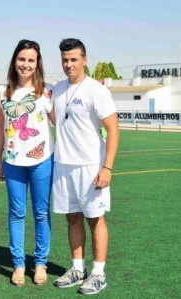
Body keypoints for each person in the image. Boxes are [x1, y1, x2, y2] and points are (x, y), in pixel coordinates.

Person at [50, 38, 119, 295]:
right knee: (73, 218)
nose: (69, 64)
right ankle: (77, 269)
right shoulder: (56, 90)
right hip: (63, 164)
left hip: (90, 167)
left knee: (95, 219)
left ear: (84, 60)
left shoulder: (96, 90)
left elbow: (113, 129)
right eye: (65, 60)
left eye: (74, 59)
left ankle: (98, 274)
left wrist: (107, 167)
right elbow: (57, 121)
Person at [0, 39, 55, 287]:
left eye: (31, 60)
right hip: (12, 161)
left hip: (42, 160)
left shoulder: (47, 91)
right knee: (17, 213)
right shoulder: (2, 92)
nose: (26, 64)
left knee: (41, 213)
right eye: (22, 59)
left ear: (37, 63)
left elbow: (60, 121)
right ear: (14, 61)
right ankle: (19, 264)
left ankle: (40, 263)